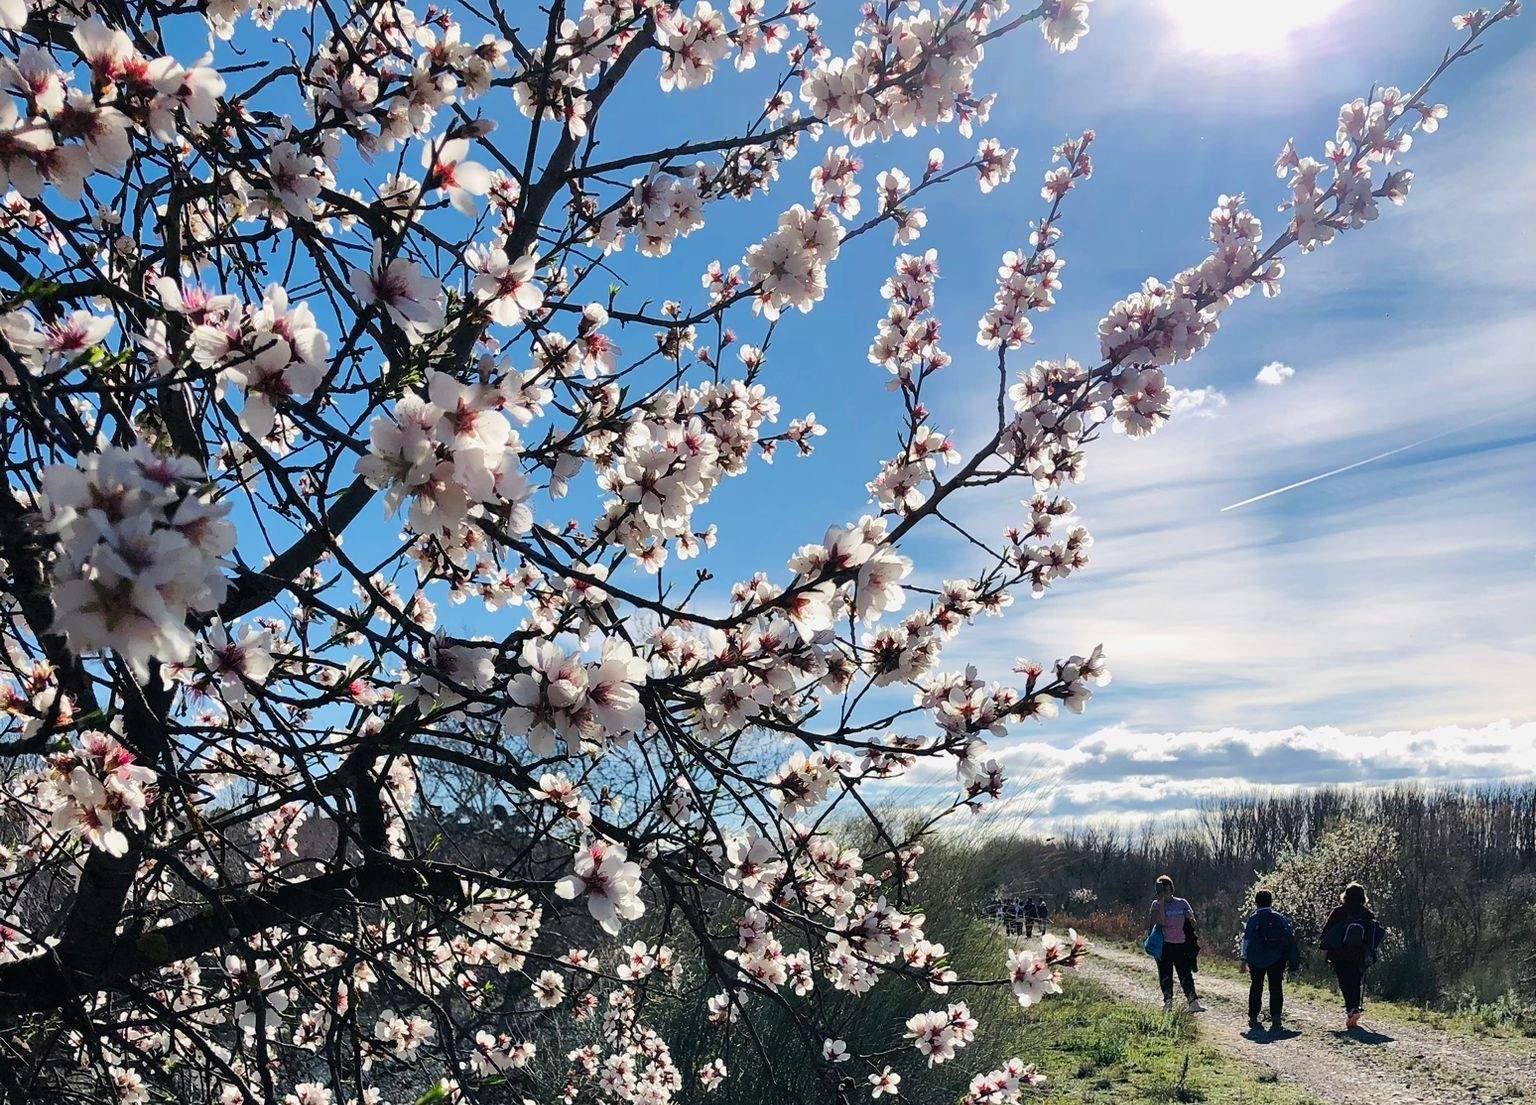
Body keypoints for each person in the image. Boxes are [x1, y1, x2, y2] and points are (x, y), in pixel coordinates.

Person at [1320, 882, 1384, 1029]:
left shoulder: (1338, 912)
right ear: (1362, 897)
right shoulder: (1367, 913)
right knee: (1355, 981)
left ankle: (1352, 1010)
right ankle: (1354, 1009)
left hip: (1339, 954)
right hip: (1359, 954)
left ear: (1346, 896)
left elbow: (1326, 933)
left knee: (1344, 982)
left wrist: (1325, 950)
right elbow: (1373, 935)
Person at [1240, 888, 1300, 1032]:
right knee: (1276, 986)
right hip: (1276, 957)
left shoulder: (1253, 918)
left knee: (1256, 986)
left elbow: (1246, 940)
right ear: (1271, 902)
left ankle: (1253, 1017)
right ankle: (1276, 1017)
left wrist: (1243, 958)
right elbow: (1289, 937)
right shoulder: (1279, 918)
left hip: (1256, 958)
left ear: (1256, 902)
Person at [1148, 875, 1206, 1012]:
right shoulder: (1156, 905)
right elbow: (1158, 923)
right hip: (1164, 945)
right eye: (1162, 890)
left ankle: (1193, 1002)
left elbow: (1193, 924)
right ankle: (1168, 1002)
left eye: (1168, 889)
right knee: (1165, 974)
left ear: (1172, 888)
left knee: (1185, 974)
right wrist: (1161, 903)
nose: (1166, 892)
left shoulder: (1182, 903)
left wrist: (1190, 918)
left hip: (1181, 944)